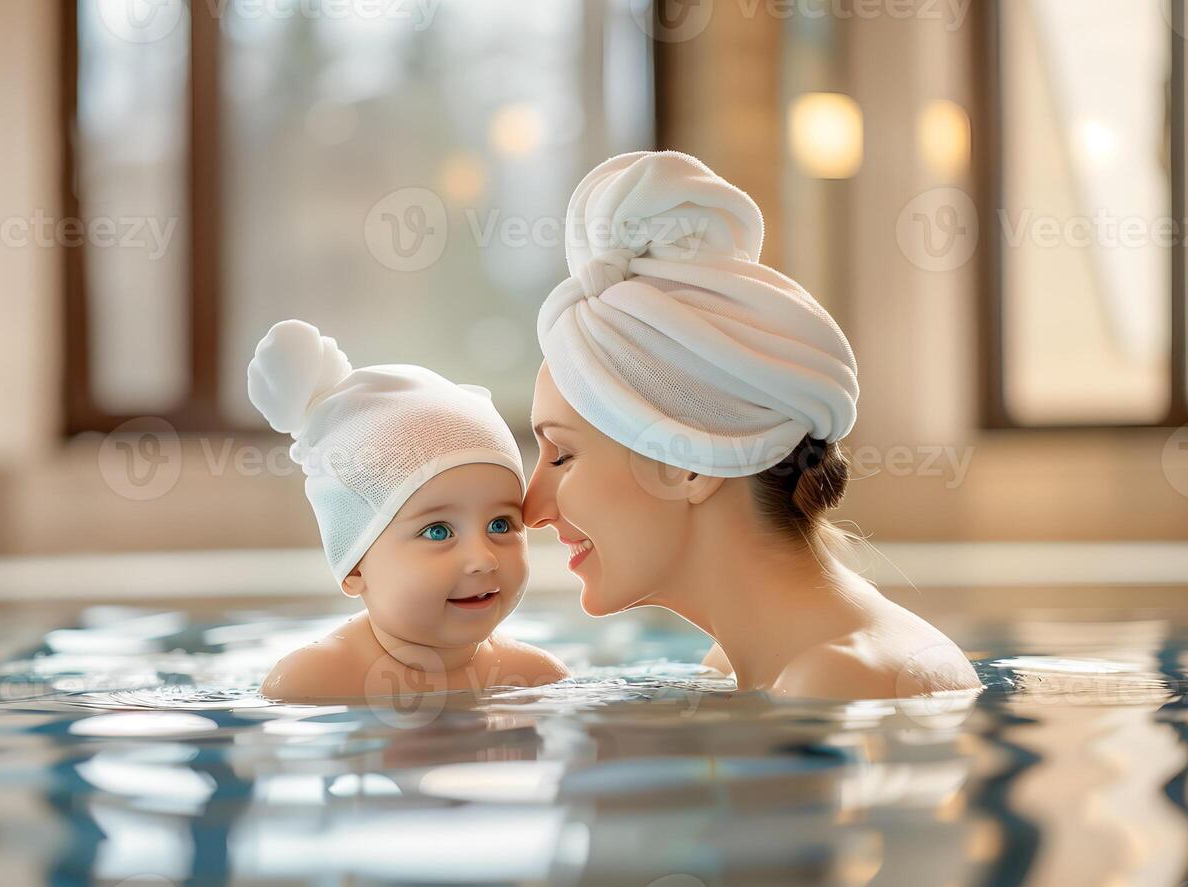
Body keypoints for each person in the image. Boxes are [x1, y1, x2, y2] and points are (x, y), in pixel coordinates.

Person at [521, 151, 981, 700]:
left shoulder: (840, 681)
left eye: (562, 456)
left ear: (684, 461)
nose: (532, 510)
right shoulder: (746, 666)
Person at [246, 318, 569, 700]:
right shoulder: (316, 682)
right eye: (438, 531)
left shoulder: (534, 677)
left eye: (500, 524)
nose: (482, 559)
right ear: (353, 567)